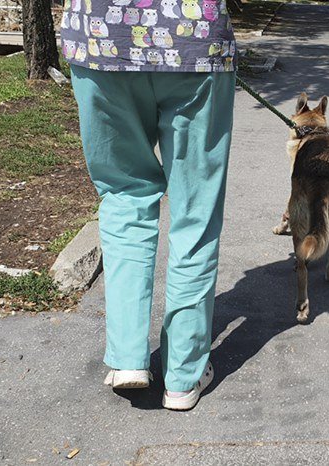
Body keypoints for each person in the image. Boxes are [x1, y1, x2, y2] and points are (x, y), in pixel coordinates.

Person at [59, 0, 238, 411]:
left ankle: (127, 359)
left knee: (124, 195)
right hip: (195, 38)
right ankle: (183, 376)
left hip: (100, 38)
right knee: (196, 212)